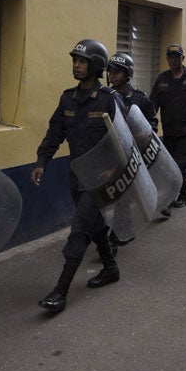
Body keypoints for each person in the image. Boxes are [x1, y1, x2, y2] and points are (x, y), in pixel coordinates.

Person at [32, 39, 125, 314]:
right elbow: (54, 133)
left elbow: (126, 138)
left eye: (82, 61)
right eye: (75, 60)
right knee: (95, 226)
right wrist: (42, 161)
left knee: (79, 230)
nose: (76, 64)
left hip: (101, 179)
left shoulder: (109, 99)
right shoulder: (67, 99)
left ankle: (60, 292)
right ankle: (110, 268)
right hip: (77, 177)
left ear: (95, 66)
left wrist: (114, 168)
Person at [105, 51, 158, 242]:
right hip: (110, 153)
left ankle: (118, 234)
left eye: (117, 71)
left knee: (123, 196)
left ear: (127, 74)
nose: (112, 75)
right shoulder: (105, 97)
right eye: (110, 70)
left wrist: (145, 133)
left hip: (131, 153)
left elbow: (151, 123)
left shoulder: (140, 99)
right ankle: (118, 231)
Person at [149, 44, 186, 208]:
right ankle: (184, 195)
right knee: (171, 166)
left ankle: (170, 198)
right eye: (170, 57)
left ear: (183, 58)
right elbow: (152, 104)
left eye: (177, 56)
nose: (173, 60)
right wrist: (147, 122)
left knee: (178, 164)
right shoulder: (162, 79)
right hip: (169, 132)